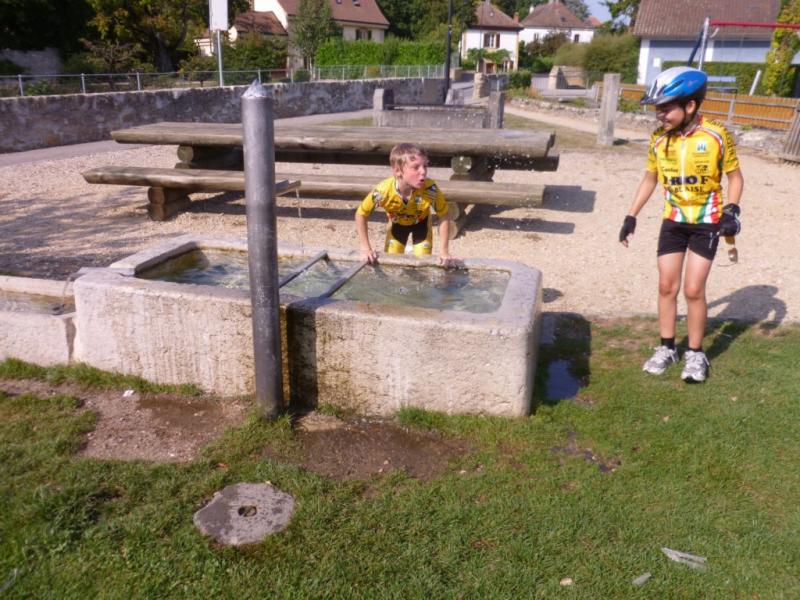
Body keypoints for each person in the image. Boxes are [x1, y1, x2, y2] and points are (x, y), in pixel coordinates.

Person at [619, 66, 744, 383]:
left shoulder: (716, 135)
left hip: (707, 223)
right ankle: (666, 348)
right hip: (673, 222)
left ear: (690, 105)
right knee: (666, 287)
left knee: (692, 289)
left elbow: (735, 178)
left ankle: (695, 353)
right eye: (657, 109)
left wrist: (732, 211)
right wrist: (631, 215)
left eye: (665, 108)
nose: (659, 115)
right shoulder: (658, 140)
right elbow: (650, 179)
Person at [355, 143, 459, 267]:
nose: (423, 172)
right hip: (397, 226)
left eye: (425, 166)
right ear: (398, 171)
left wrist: (444, 251)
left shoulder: (430, 189)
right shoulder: (383, 192)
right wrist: (365, 248)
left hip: (421, 225)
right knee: (391, 266)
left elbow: (444, 215)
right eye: (416, 167)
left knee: (423, 265)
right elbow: (361, 214)